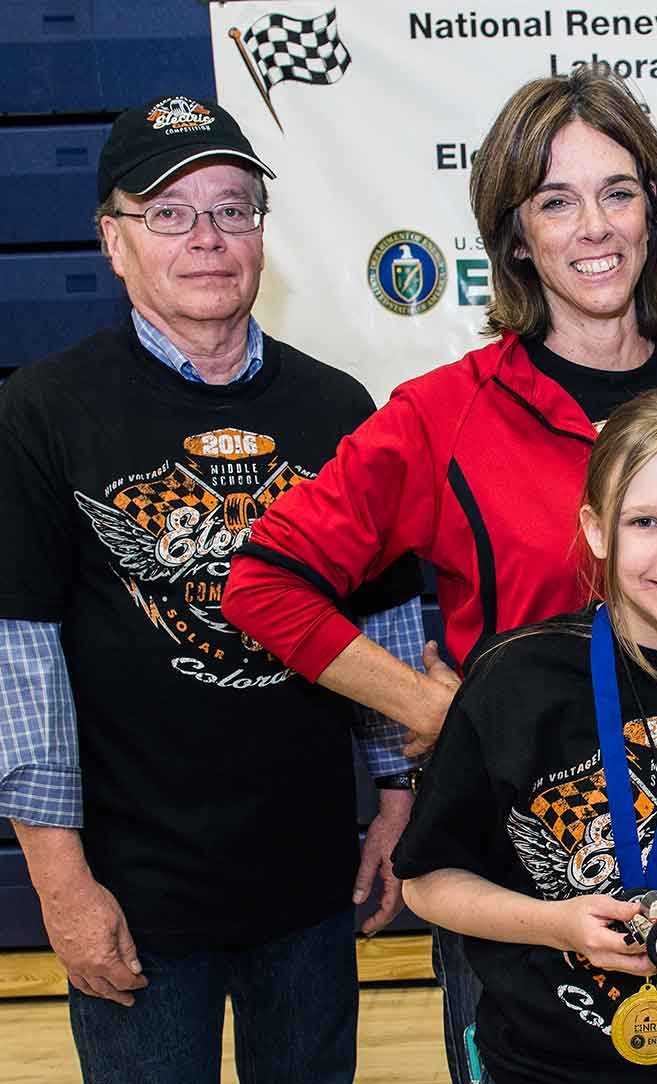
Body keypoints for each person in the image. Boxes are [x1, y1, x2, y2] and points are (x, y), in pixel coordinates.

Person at [221, 67, 657, 1084]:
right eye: (555, 200)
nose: (594, 225)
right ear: (516, 236)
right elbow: (262, 581)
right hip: (517, 885)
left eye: (617, 190)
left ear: (652, 206)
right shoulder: (443, 415)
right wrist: (434, 701)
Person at [0, 95, 425, 1082]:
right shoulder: (41, 412)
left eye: (233, 209)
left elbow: (388, 619)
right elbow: (19, 657)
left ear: (263, 236)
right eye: (170, 212)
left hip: (307, 883)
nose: (207, 238)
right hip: (137, 892)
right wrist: (60, 886)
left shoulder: (336, 407)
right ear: (113, 240)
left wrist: (402, 793)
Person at [392, 386, 657, 1084]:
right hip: (540, 1067)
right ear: (595, 529)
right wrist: (555, 924)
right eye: (644, 521)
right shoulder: (517, 678)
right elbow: (427, 885)